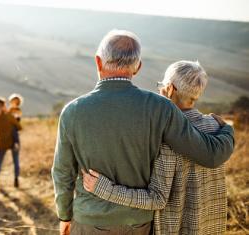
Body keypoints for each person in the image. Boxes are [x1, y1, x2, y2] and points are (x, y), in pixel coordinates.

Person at [51, 30, 234, 235]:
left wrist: (65, 215)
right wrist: (227, 130)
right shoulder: (160, 107)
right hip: (139, 223)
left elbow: (63, 172)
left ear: (98, 62)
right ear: (137, 67)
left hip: (90, 220)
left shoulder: (72, 111)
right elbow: (209, 155)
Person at [82, 60, 229, 234]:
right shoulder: (216, 126)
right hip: (211, 227)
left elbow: (157, 199)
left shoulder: (165, 135)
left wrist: (105, 189)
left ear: (170, 89)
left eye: (161, 86)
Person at [0, 96, 22, 188]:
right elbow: (19, 127)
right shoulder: (8, 116)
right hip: (13, 141)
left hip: (2, 142)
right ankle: (16, 180)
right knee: (16, 161)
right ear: (2, 106)